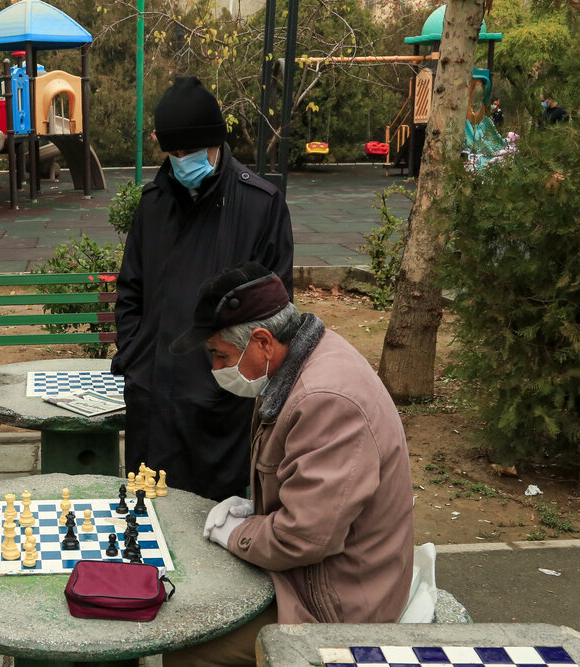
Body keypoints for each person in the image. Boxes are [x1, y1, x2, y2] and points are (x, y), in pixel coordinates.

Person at [164, 262, 414, 666]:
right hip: (328, 573)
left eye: (219, 354)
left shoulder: (325, 399)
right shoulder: (297, 360)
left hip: (340, 605)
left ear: (262, 340)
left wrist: (239, 533)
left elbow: (305, 537)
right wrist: (256, 511)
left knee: (191, 646)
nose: (215, 369)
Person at [112, 76, 294, 501]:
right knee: (146, 518)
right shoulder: (153, 203)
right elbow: (130, 291)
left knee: (212, 521)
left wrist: (232, 377)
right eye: (172, 154)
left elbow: (275, 310)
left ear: (215, 144)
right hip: (152, 395)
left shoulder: (260, 204)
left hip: (220, 401)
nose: (180, 161)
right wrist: (135, 354)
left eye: (189, 153)